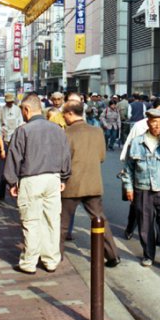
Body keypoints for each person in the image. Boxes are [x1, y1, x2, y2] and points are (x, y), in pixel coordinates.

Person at [3, 93, 71, 274]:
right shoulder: (58, 129)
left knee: (31, 221)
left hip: (31, 179)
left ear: (27, 109)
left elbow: (14, 158)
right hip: (53, 179)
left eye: (23, 111)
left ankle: (29, 262)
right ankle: (50, 260)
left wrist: (11, 182)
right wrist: (64, 178)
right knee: (51, 220)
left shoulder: (23, 130)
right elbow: (66, 156)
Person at [121, 108, 160, 271]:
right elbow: (129, 167)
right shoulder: (137, 142)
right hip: (142, 188)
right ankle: (148, 255)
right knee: (145, 224)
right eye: (155, 122)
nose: (158, 125)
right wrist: (129, 187)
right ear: (148, 122)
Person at [61, 99, 120, 267]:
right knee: (100, 219)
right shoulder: (97, 131)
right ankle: (113, 255)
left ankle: (56, 256)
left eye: (64, 114)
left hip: (71, 184)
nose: (63, 117)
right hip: (93, 183)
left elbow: (63, 161)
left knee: (62, 223)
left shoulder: (66, 133)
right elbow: (101, 157)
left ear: (71, 113)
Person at [120, 99, 160, 240]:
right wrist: (126, 173)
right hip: (140, 176)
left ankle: (157, 238)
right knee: (136, 207)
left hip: (159, 176)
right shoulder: (139, 126)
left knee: (159, 211)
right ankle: (130, 227)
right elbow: (128, 149)